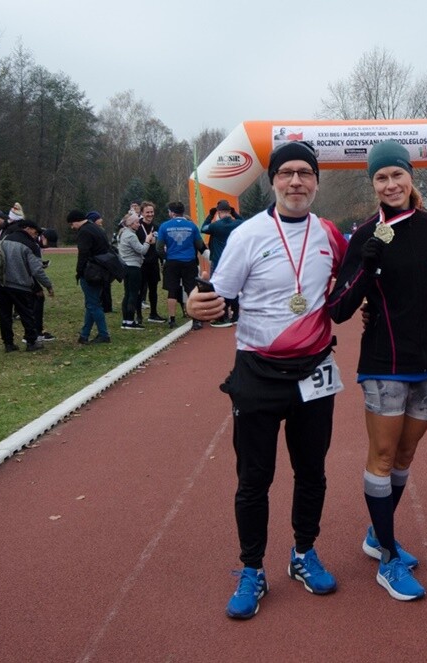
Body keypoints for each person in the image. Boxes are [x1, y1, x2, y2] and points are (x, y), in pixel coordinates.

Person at [185, 141, 348, 620]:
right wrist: (196, 305)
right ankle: (252, 568)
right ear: (273, 181)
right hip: (258, 372)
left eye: (304, 173)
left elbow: (352, 282)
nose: (296, 181)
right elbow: (215, 296)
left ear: (316, 181)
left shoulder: (330, 234)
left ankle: (303, 552)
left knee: (312, 471)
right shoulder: (248, 234)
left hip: (315, 372)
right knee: (254, 478)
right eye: (286, 173)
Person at [328, 140, 427, 601]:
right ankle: (387, 558)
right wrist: (366, 265)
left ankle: (376, 534)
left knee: (405, 456)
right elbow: (339, 309)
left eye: (397, 174)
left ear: (410, 176)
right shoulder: (364, 235)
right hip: (384, 365)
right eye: (381, 177)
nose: (390, 184)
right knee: (382, 456)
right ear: (373, 184)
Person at [0, 219, 54, 352]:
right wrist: (48, 285)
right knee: (26, 313)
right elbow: (37, 270)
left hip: (2, 283)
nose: (35, 235)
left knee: (5, 315)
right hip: (20, 284)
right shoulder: (30, 245)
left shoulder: (4, 239)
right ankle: (31, 341)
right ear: (28, 229)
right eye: (35, 232)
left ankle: (8, 343)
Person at [156, 201, 208, 329]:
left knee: (172, 290)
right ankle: (196, 320)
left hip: (172, 262)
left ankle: (172, 319)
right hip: (189, 261)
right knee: (191, 290)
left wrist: (166, 257)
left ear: (172, 213)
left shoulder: (164, 226)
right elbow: (200, 245)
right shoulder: (192, 226)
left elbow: (159, 247)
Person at [67, 209, 112, 344]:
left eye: (71, 224)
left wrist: (79, 271)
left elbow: (83, 254)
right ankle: (84, 335)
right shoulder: (96, 228)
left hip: (91, 272)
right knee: (91, 303)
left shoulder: (84, 232)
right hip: (103, 270)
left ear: (76, 221)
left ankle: (104, 334)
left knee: (93, 305)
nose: (72, 227)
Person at [201, 200, 244, 328]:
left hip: (219, 261)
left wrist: (210, 215)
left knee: (219, 288)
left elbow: (203, 228)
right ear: (229, 211)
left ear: (219, 212)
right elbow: (245, 222)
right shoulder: (237, 223)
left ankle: (223, 316)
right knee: (234, 287)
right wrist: (235, 214)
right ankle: (236, 315)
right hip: (234, 261)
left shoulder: (215, 226)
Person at [117, 211, 155, 330]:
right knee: (133, 294)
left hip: (126, 266)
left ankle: (125, 320)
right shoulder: (131, 235)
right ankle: (130, 321)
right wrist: (147, 241)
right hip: (133, 267)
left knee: (127, 294)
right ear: (130, 223)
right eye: (137, 222)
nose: (139, 224)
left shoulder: (123, 233)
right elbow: (142, 250)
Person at [136, 201, 165, 323]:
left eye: (152, 212)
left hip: (153, 263)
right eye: (147, 212)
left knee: (153, 289)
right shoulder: (137, 226)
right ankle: (138, 315)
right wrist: (147, 242)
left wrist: (162, 260)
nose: (150, 214)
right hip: (141, 263)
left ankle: (153, 313)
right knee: (140, 289)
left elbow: (161, 245)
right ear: (142, 213)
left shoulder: (157, 227)